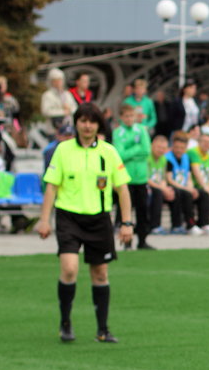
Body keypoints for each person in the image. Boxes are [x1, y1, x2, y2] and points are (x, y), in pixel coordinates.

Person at [35, 102, 134, 343]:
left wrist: (127, 222)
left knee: (100, 273)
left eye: (92, 121)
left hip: (99, 218)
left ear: (98, 124)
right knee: (69, 269)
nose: (87, 126)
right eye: (83, 121)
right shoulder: (63, 150)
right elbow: (52, 186)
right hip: (68, 217)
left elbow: (122, 189)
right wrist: (43, 219)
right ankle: (65, 323)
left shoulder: (108, 152)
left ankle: (103, 329)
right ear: (76, 123)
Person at [112, 102, 153, 249]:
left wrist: (130, 152)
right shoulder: (118, 133)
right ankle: (126, 241)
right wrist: (136, 149)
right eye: (127, 116)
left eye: (132, 116)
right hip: (126, 178)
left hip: (141, 177)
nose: (129, 119)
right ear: (122, 117)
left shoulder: (141, 130)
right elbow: (119, 154)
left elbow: (147, 150)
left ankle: (142, 240)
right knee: (125, 210)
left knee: (143, 211)